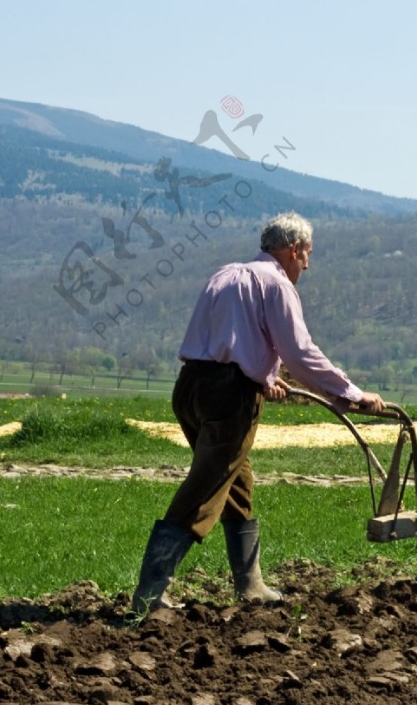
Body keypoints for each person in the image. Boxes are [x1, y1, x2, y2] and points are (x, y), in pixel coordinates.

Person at [131, 212, 385, 615]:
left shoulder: (226, 274)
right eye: (307, 256)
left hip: (190, 387)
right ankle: (149, 594)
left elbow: (229, 339)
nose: (307, 265)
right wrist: (351, 394)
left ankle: (250, 585)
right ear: (293, 250)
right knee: (206, 488)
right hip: (229, 398)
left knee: (237, 482)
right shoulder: (276, 284)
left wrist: (264, 376)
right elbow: (300, 354)